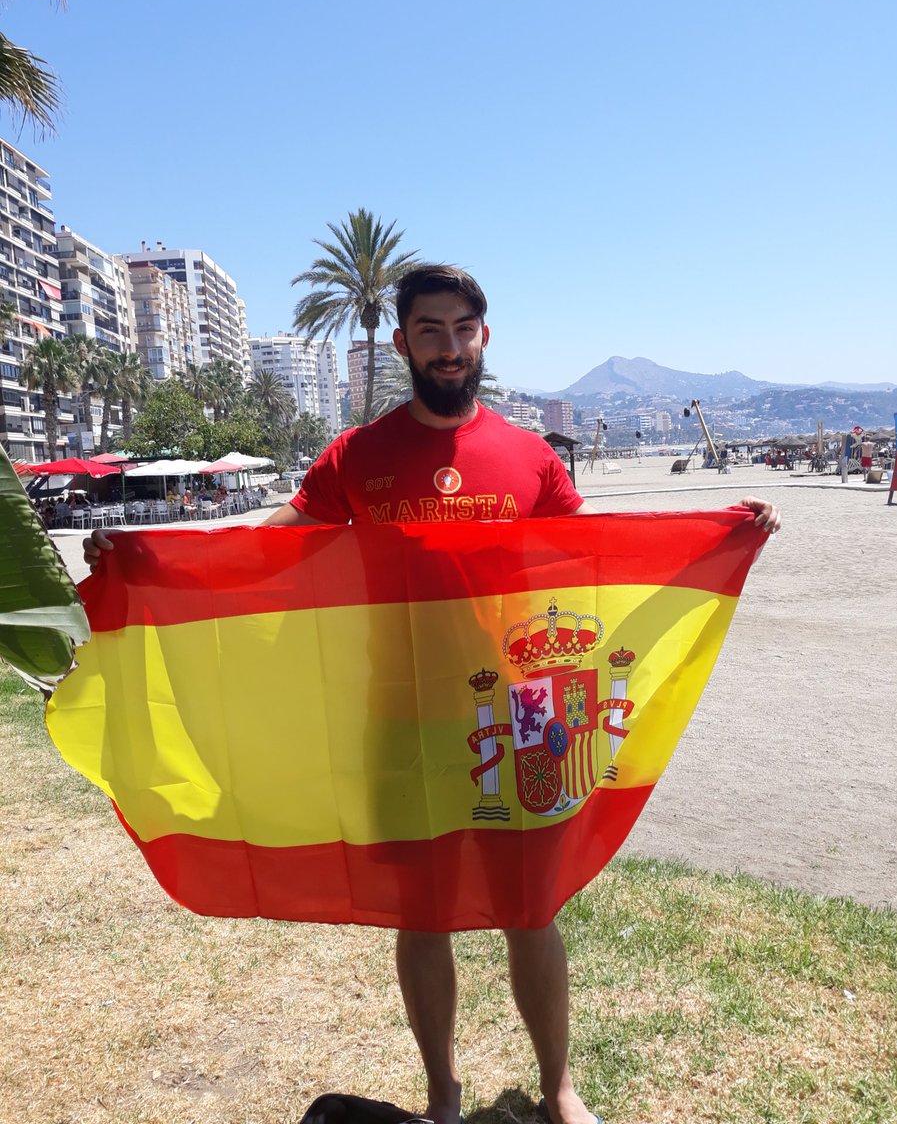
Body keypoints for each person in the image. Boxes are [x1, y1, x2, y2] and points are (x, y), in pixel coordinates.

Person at [84, 264, 781, 1124]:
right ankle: (441, 1091)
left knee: (531, 906)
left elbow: (594, 562)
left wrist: (722, 535)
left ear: (483, 337)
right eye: (429, 332)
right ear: (403, 342)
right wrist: (153, 561)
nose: (448, 348)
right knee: (424, 914)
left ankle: (560, 1087)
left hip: (520, 715)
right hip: (401, 710)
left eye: (461, 330)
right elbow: (273, 545)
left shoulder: (529, 455)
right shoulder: (358, 455)